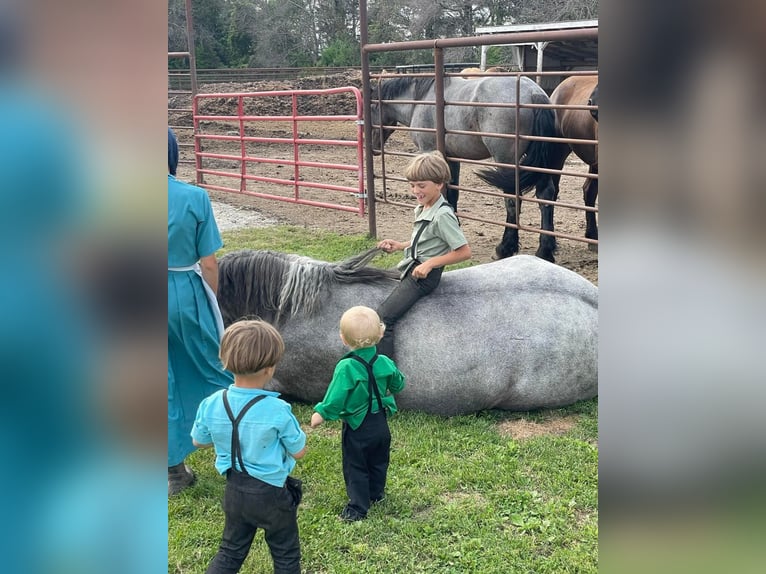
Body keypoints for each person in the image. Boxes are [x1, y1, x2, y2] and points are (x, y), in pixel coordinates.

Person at [192, 320, 307, 574]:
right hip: (272, 494)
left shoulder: (211, 403)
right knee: (286, 555)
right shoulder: (278, 410)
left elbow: (198, 441)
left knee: (230, 552)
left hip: (235, 491)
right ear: (269, 369)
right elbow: (298, 450)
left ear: (225, 360)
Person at [168, 127, 234, 495]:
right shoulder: (195, 197)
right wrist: (210, 299)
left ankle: (172, 470)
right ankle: (235, 451)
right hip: (182, 291)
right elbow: (208, 262)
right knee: (213, 367)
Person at [310, 306, 405, 522]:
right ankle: (376, 493)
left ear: (343, 339)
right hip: (380, 424)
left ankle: (358, 507)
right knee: (379, 460)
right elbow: (399, 383)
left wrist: (321, 413)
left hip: (357, 426)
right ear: (381, 334)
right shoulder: (385, 362)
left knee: (356, 465)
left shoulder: (347, 367)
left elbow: (335, 397)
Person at [376, 150, 472, 359]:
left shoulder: (443, 215)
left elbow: (464, 252)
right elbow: (427, 239)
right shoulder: (423, 207)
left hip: (424, 278)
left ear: (439, 184)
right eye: (412, 185)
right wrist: (400, 245)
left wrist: (431, 264)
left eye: (421, 185)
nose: (415, 191)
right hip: (412, 266)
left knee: (383, 318)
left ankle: (383, 373)